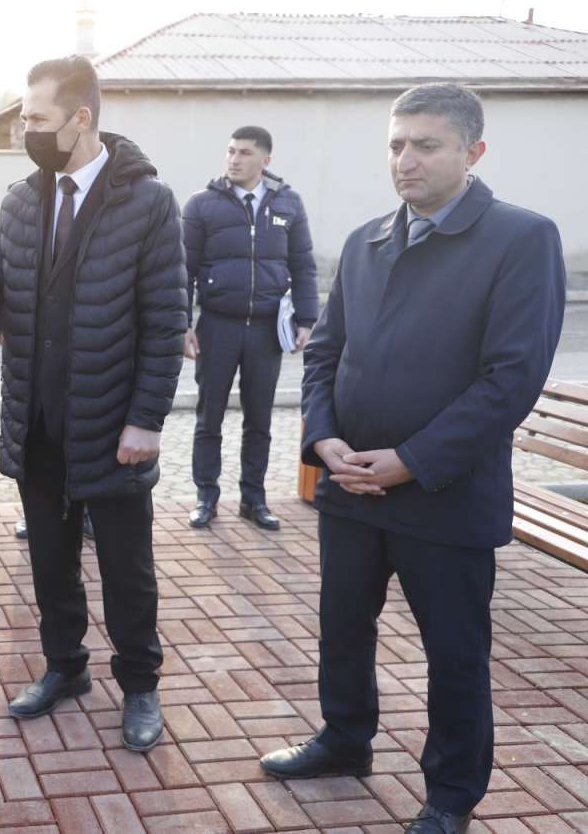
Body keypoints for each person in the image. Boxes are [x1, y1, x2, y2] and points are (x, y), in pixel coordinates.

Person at [259, 83, 565, 834]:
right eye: (396, 144)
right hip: (351, 487)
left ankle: (452, 794)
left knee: (453, 652)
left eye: (426, 145)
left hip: (445, 493)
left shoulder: (521, 238)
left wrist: (413, 459)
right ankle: (345, 737)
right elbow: (325, 353)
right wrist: (323, 440)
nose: (406, 159)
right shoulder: (366, 240)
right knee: (343, 627)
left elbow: (511, 379)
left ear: (473, 150)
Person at [0, 56, 187, 753]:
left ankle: (140, 684)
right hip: (39, 421)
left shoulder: (148, 202)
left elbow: (166, 319)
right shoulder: (25, 199)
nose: (26, 129)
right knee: (51, 563)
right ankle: (65, 666)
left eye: (36, 118)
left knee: (127, 570)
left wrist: (146, 419)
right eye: (25, 117)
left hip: (113, 424)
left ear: (81, 118)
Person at [183, 125, 318, 531]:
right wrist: (182, 323)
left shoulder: (288, 203)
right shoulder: (202, 204)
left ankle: (253, 499)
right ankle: (206, 497)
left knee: (259, 419)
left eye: (244, 152)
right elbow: (183, 269)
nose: (234, 159)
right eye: (230, 151)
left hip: (265, 331)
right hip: (217, 326)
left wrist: (307, 320)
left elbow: (303, 265)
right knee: (209, 417)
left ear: (265, 159)